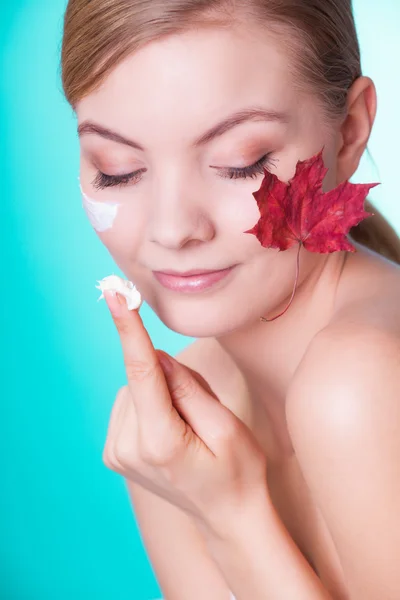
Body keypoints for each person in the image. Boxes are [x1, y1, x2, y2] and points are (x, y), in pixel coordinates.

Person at [61, 1, 400, 598]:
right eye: (116, 170)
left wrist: (231, 516)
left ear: (348, 131)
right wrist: (200, 493)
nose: (172, 229)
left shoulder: (361, 380)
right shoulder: (175, 424)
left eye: (241, 164)